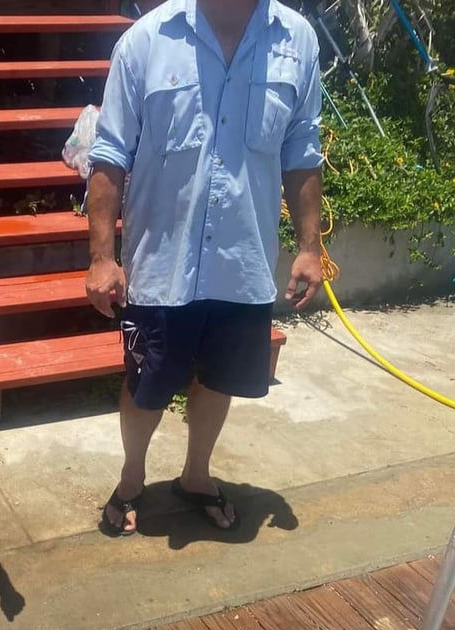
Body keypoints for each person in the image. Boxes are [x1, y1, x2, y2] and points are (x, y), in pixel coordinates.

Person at [85, 0, 323, 536]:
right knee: (148, 384)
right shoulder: (147, 40)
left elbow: (302, 148)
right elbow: (109, 154)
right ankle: (130, 480)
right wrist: (102, 257)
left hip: (242, 260)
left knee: (220, 380)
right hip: (160, 262)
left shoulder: (297, 40)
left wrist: (309, 246)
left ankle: (196, 475)